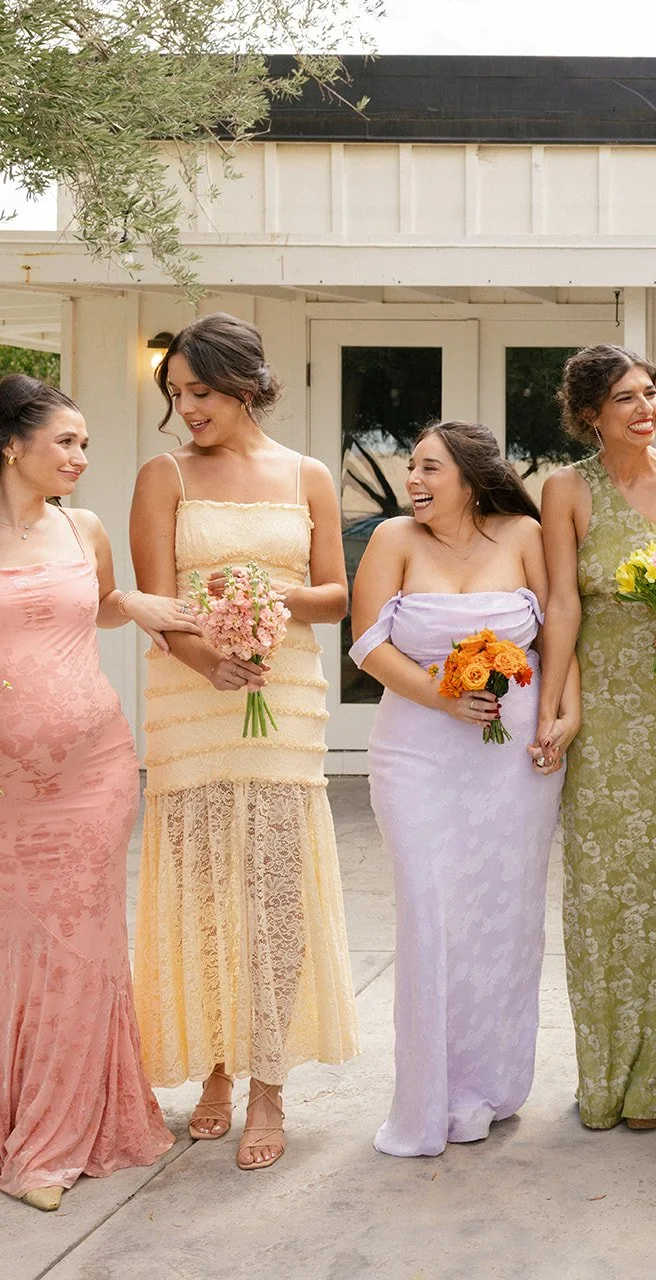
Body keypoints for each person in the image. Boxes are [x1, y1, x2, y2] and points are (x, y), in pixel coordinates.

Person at [129, 312, 358, 1172]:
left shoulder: (306, 475)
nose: (188, 408)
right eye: (178, 394)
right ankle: (216, 1068)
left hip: (285, 699)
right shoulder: (165, 477)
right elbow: (159, 609)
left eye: (202, 392)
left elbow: (336, 595)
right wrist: (210, 660)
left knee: (274, 892)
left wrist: (268, 600)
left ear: (249, 386)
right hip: (195, 702)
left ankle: (269, 1083)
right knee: (204, 887)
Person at [350, 421, 576, 1156]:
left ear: (473, 477)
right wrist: (440, 697)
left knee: (502, 916)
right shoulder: (393, 541)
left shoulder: (523, 533)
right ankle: (425, 1097)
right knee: (429, 910)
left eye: (429, 469)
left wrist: (559, 715)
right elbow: (366, 643)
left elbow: (558, 636)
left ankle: (492, 1082)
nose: (413, 481)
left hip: (511, 759)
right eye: (412, 467)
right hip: (415, 751)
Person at [0, 376, 195, 1211]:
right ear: (13, 444)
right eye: (67, 442)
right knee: (17, 948)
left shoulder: (83, 527)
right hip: (10, 788)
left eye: (85, 442)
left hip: (94, 771)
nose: (83, 456)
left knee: (78, 945)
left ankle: (51, 1143)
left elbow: (105, 605)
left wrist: (171, 612)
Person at [538, 345, 656, 1131]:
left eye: (651, 394)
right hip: (605, 716)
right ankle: (602, 1074)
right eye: (624, 398)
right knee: (604, 890)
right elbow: (561, 608)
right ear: (588, 413)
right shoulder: (567, 489)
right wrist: (554, 708)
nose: (646, 409)